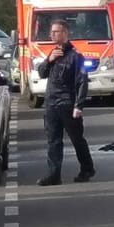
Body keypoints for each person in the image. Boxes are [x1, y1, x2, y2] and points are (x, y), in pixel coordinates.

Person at [36, 19, 95, 186]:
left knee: (77, 139)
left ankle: (87, 169)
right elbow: (41, 73)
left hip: (67, 104)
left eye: (56, 32)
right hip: (51, 104)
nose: (52, 34)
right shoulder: (53, 53)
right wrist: (49, 60)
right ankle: (54, 175)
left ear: (65, 33)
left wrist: (79, 106)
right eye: (51, 32)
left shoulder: (76, 57)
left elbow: (82, 82)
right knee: (53, 141)